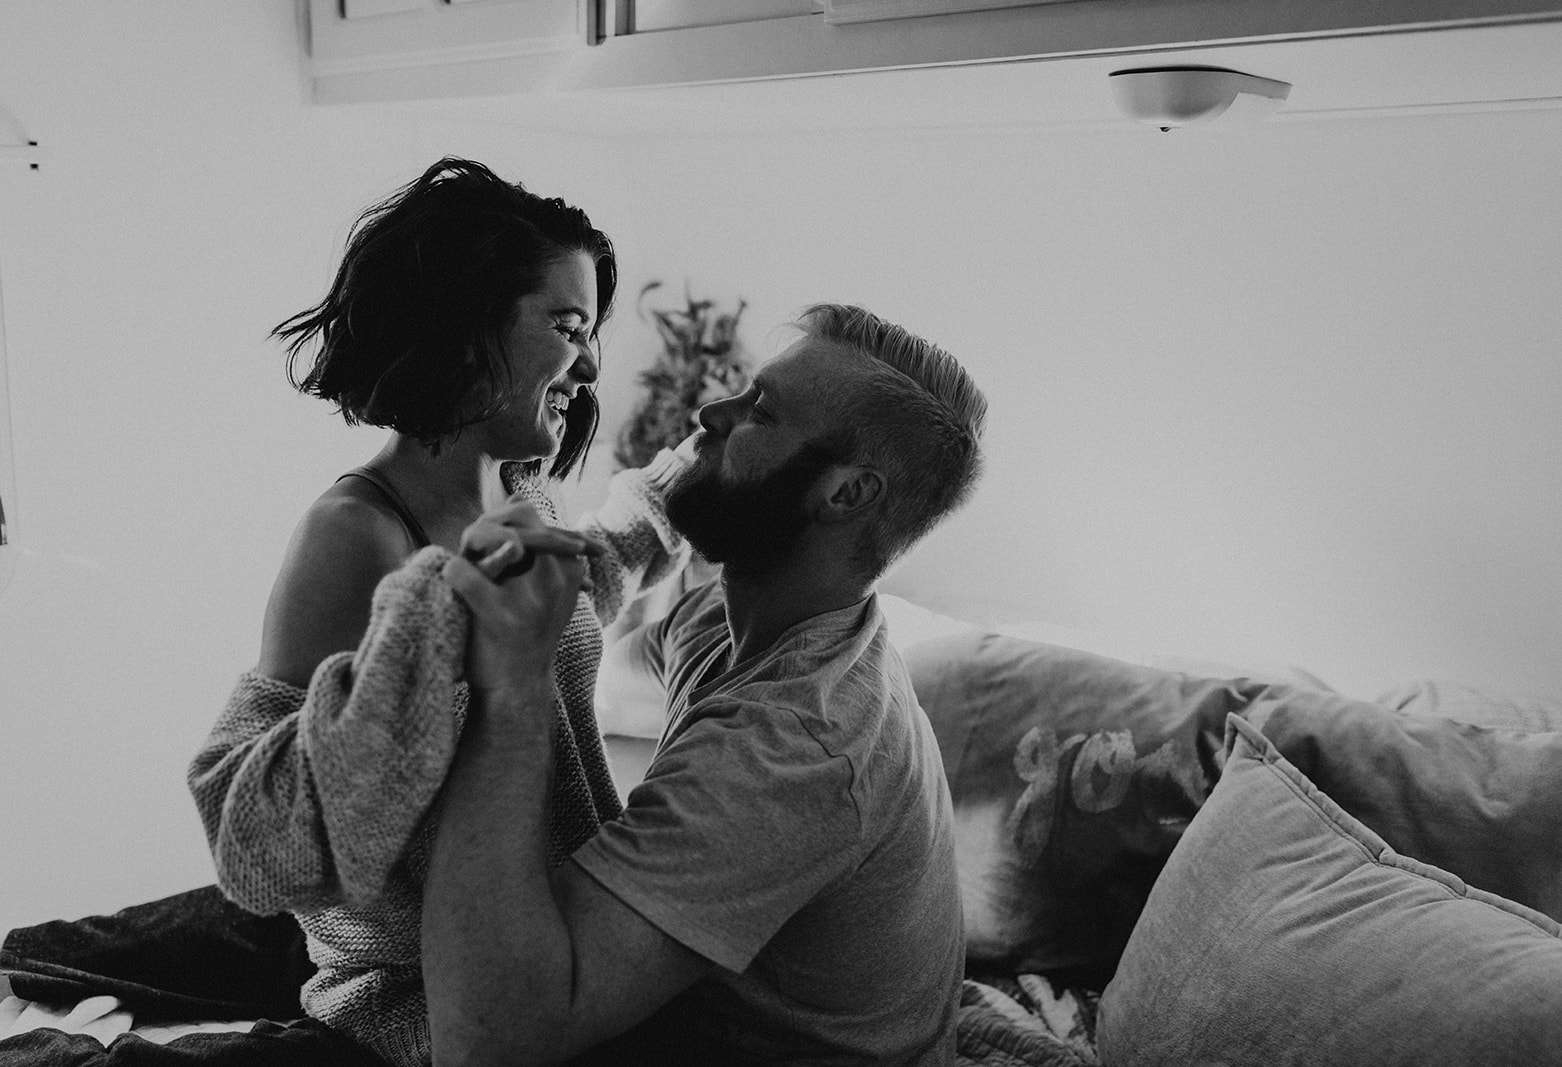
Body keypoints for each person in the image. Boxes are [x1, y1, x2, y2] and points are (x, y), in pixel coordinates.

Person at [187, 158, 694, 1067]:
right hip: (419, 1013)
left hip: (549, 961)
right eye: (567, 325)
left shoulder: (520, 499)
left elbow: (570, 603)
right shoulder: (357, 538)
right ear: (467, 324)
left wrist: (685, 483)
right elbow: (281, 844)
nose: (589, 363)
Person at [423, 303, 988, 1065]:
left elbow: (489, 1040)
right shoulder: (727, 622)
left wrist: (509, 687)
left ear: (846, 493)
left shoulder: (794, 746)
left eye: (759, 410)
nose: (707, 412)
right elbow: (591, 656)